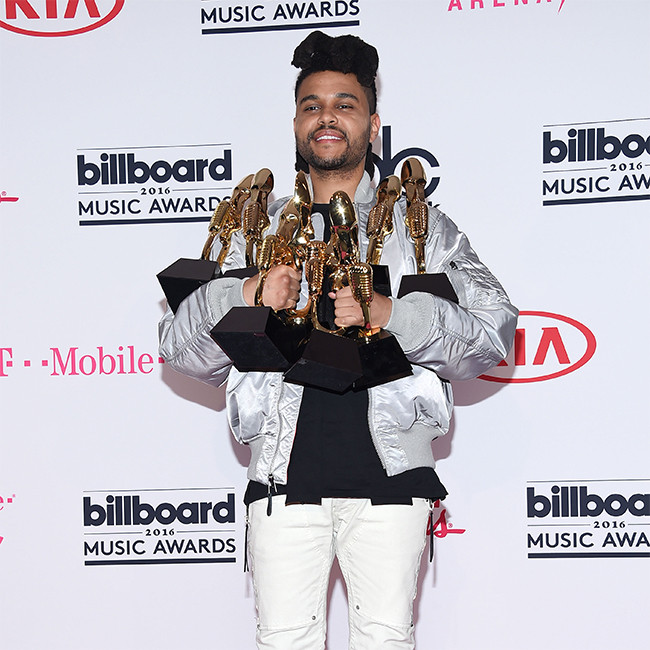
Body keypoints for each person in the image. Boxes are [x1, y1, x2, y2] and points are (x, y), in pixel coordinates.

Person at [159, 30, 518, 650]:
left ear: (373, 125)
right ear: (296, 123)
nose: (327, 117)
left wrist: (392, 312)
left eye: (345, 104)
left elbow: (493, 337)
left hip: (392, 482)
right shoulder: (254, 230)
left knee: (386, 640)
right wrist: (246, 292)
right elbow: (178, 348)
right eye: (312, 106)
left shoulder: (422, 228)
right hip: (282, 482)